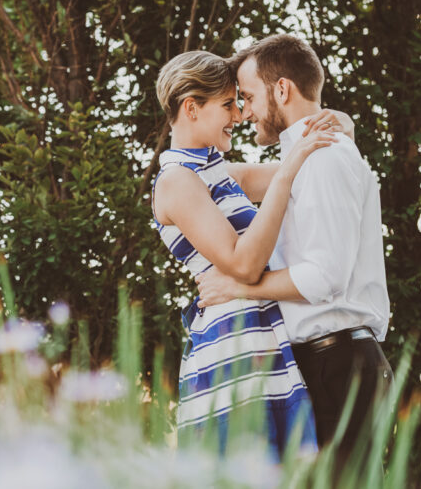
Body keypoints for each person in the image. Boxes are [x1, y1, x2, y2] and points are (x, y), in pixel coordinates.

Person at [195, 34, 393, 471]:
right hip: (323, 364)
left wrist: (240, 288)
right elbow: (236, 176)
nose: (243, 112)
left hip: (339, 366)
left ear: (282, 89)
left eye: (246, 97)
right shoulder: (304, 157)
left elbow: (324, 277)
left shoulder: (323, 157)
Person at [151, 50, 353, 459]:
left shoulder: (219, 173)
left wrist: (342, 122)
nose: (240, 115)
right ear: (191, 108)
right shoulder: (175, 181)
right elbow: (244, 262)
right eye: (228, 104)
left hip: (263, 346)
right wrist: (289, 167)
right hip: (232, 354)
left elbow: (309, 158)